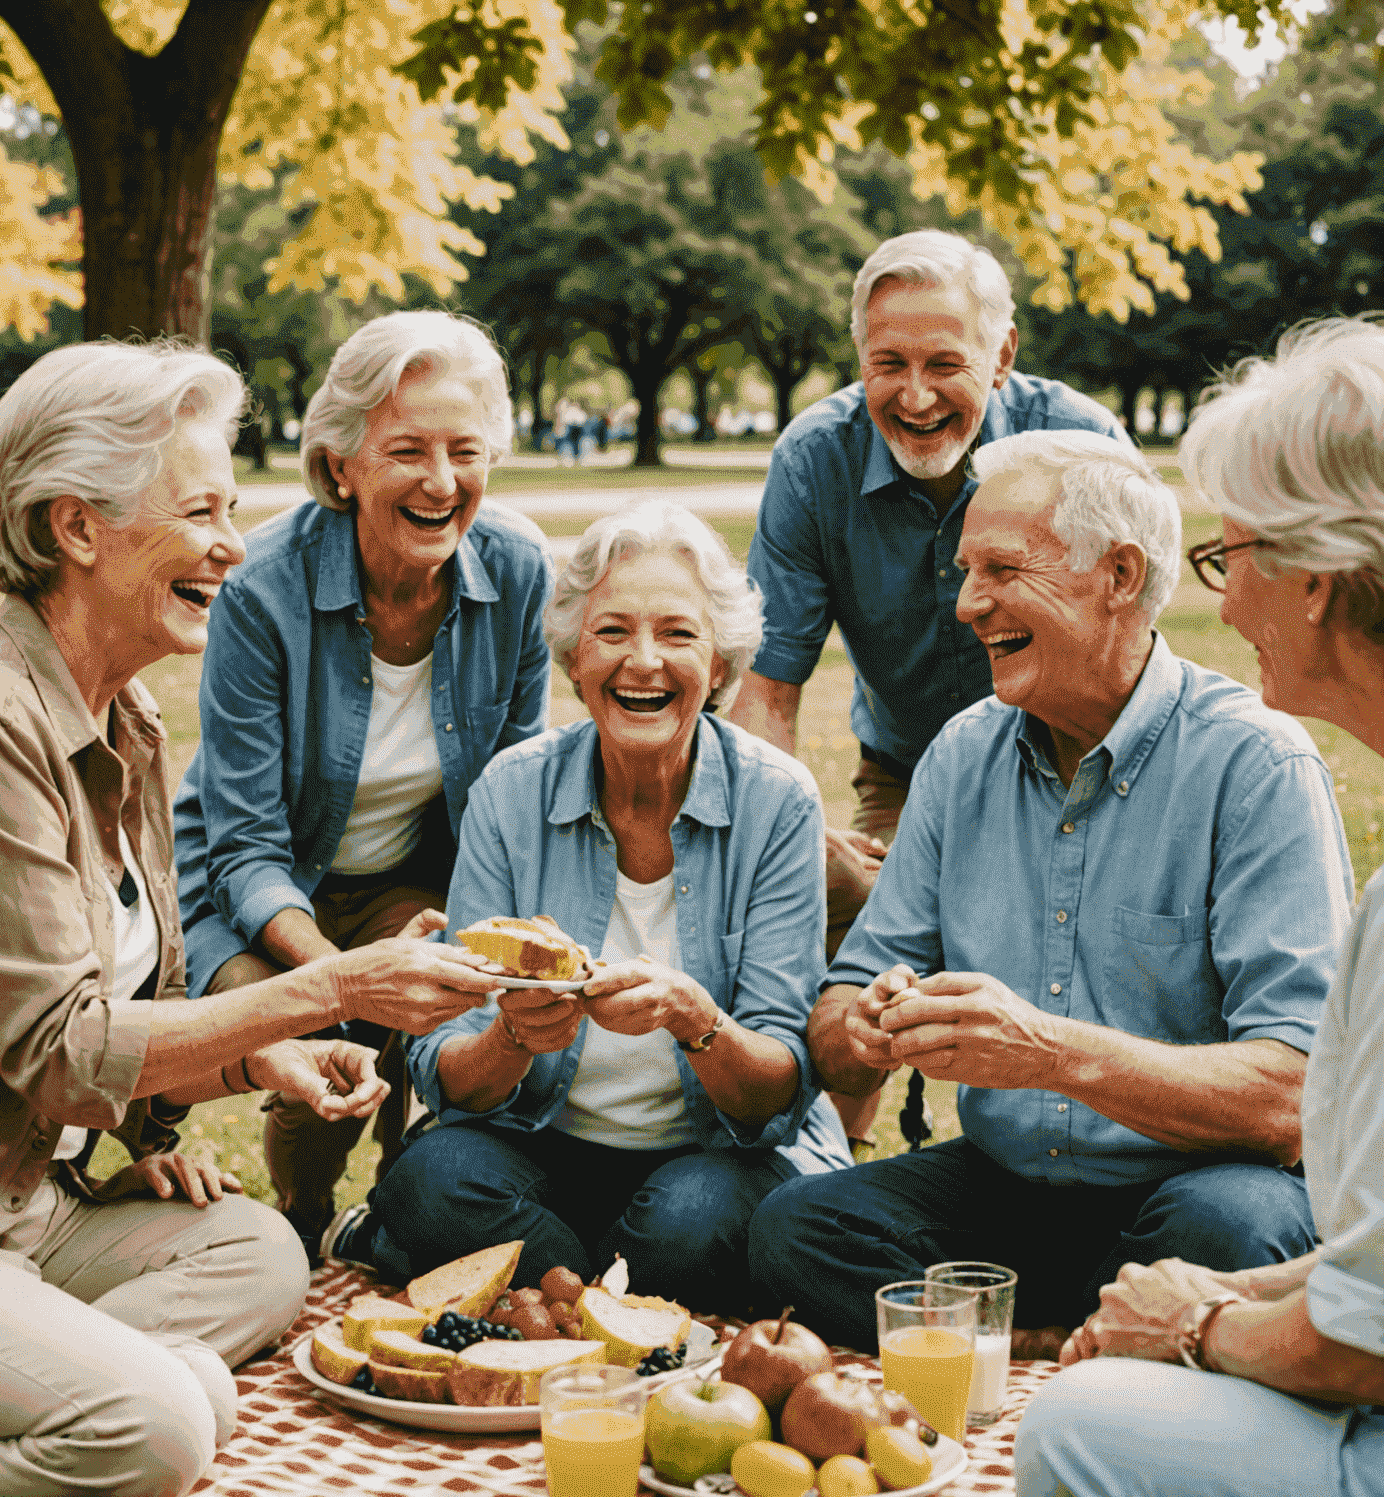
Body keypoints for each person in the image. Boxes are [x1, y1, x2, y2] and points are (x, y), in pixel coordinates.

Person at [0, 340, 504, 1497]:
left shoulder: (126, 715)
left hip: (23, 1219)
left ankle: (39, 1385)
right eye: (198, 511)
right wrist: (330, 988)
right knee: (155, 1425)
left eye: (233, 510)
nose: (233, 545)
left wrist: (252, 1063)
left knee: (264, 1256)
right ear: (77, 529)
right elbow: (62, 1049)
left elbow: (119, 1017)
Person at [747, 428, 1354, 1357]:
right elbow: (837, 1019)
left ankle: (1034, 1337)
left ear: (1118, 576)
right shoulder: (961, 754)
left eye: (1000, 569)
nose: (965, 604)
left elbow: (1289, 1096)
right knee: (797, 1230)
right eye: (964, 571)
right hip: (1005, 1189)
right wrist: (863, 1026)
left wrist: (1049, 1053)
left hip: (1192, 1184)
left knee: (1231, 1234)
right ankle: (1073, 1339)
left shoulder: (1255, 764)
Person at [1016, 317, 1384, 1497]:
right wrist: (1230, 1297)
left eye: (1232, 560)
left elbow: (1362, 1348)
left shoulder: (1262, 769)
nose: (1224, 603)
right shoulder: (975, 749)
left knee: (1078, 1430)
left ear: (1319, 580)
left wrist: (1201, 1323)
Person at [327, 503, 852, 1312]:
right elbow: (444, 1070)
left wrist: (695, 1020)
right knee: (429, 1183)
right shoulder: (512, 791)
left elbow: (780, 1089)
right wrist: (509, 1035)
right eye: (612, 633)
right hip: (539, 1147)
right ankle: (616, 1290)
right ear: (574, 659)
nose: (643, 662)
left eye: (678, 634)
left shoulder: (777, 801)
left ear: (719, 666)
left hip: (713, 1157)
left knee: (692, 1223)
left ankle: (543, 1281)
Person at [730, 231, 1133, 1149]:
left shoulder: (1083, 443)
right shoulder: (814, 461)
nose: (914, 396)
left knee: (1090, 984)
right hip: (907, 768)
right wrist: (779, 839)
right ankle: (833, 1170)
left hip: (1076, 761)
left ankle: (1107, 1184)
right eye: (889, 364)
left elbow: (1126, 659)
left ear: (1003, 355)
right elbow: (768, 688)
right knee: (853, 978)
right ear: (859, 359)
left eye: (945, 364)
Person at [172, 311, 553, 1265]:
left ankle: (397, 1228)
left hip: (413, 875)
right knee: (302, 1034)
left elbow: (512, 796)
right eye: (407, 451)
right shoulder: (262, 586)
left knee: (430, 1032)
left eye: (466, 451)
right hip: (250, 877)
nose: (441, 481)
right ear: (341, 464)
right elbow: (245, 843)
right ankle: (299, 1226)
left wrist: (462, 941)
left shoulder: (517, 571)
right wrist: (337, 980)